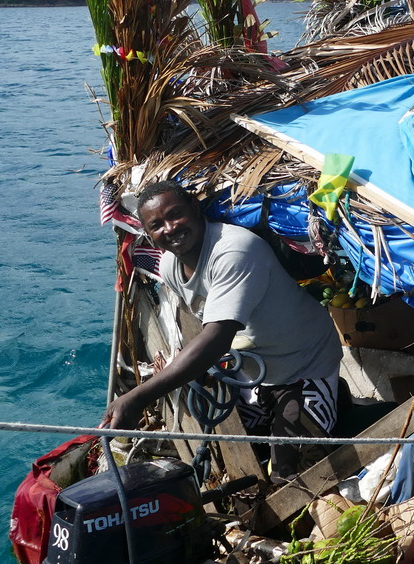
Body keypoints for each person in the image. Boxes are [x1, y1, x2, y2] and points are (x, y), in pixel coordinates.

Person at [101, 180, 341, 483]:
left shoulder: (234, 250)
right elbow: (204, 325)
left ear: (195, 206)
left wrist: (137, 398)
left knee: (289, 476)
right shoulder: (170, 267)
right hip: (254, 370)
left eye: (176, 214)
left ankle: (335, 401)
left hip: (303, 365)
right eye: (156, 225)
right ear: (148, 234)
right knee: (246, 453)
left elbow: (216, 338)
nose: (170, 228)